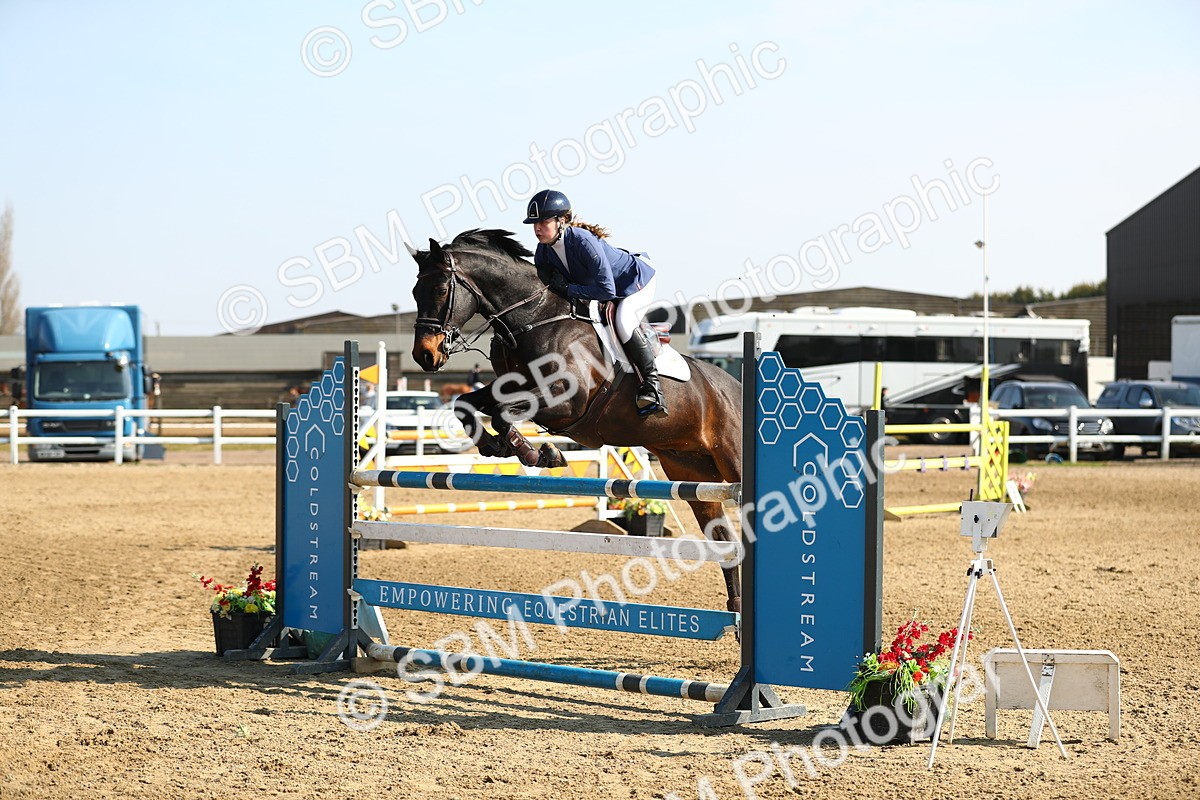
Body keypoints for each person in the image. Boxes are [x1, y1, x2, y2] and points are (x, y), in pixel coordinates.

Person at [522, 189, 666, 415]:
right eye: (534, 224)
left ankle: (652, 385)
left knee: (624, 322)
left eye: (543, 222)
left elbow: (606, 290)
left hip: (633, 282)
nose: (537, 229)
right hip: (600, 289)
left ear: (562, 221)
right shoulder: (543, 251)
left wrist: (568, 288)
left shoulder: (582, 241)